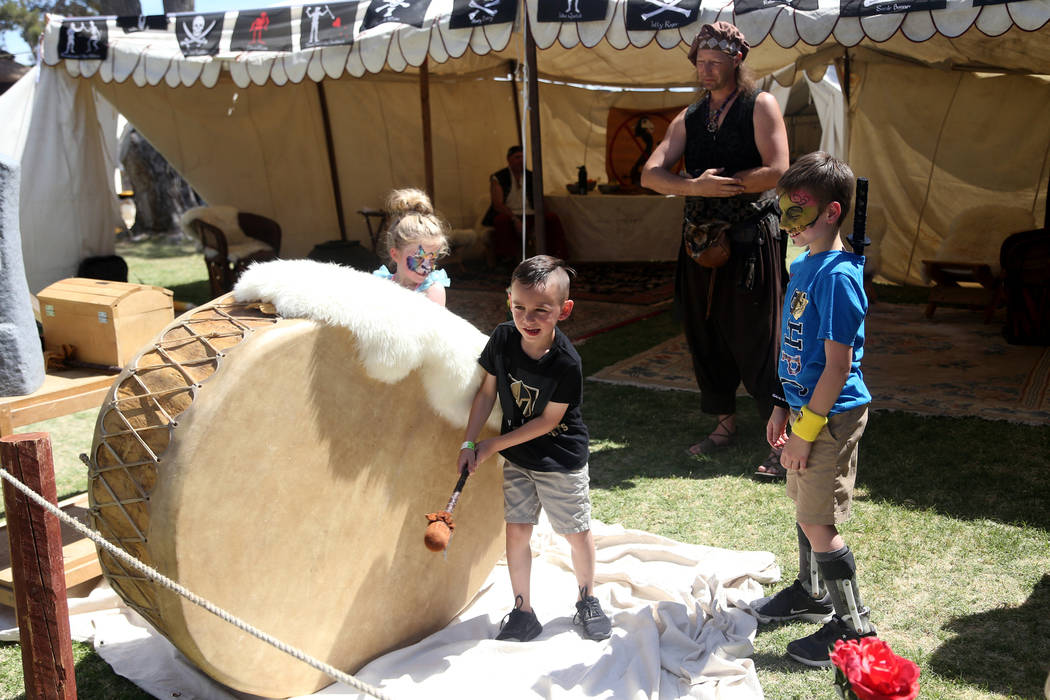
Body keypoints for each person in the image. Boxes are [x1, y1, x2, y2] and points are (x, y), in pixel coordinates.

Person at [640, 22, 790, 478]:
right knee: (705, 332)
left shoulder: (759, 105)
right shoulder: (688, 117)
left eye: (714, 62)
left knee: (760, 337)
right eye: (700, 62)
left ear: (735, 61)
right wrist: (694, 185)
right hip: (700, 242)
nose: (705, 70)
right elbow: (650, 174)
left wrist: (726, 188)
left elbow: (779, 169)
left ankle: (781, 441)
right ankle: (724, 427)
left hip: (750, 240)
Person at [752, 151, 877, 666]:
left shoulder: (838, 278)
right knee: (807, 513)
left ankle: (854, 629)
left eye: (797, 209)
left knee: (820, 521)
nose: (787, 222)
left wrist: (805, 431)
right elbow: (795, 344)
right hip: (804, 411)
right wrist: (783, 402)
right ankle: (811, 593)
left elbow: (836, 367)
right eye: (784, 207)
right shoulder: (804, 264)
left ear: (832, 212)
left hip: (830, 416)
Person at [455, 255, 611, 643]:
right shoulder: (503, 338)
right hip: (517, 459)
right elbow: (486, 391)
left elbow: (548, 422)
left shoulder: (567, 362)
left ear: (564, 310)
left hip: (560, 460)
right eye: (520, 307)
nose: (529, 318)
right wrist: (470, 441)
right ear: (509, 300)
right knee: (517, 532)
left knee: (575, 533)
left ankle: (587, 600)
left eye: (542, 310)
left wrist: (492, 446)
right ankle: (523, 611)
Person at [483, 145, 570, 263]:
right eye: (517, 157)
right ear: (509, 160)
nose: (521, 161)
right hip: (510, 215)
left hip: (530, 214)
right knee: (501, 220)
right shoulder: (498, 177)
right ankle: (507, 258)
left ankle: (557, 256)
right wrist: (514, 219)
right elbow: (497, 204)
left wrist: (542, 214)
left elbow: (540, 199)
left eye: (523, 157)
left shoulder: (532, 176)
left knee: (551, 218)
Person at [372, 188, 451, 306]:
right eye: (419, 258)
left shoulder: (431, 291)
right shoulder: (383, 285)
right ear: (395, 254)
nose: (426, 266)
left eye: (432, 259)